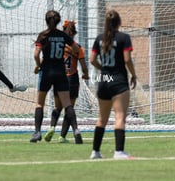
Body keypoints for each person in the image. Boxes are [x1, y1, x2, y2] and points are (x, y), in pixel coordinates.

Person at [89, 9, 137, 160]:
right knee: (120, 117)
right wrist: (134, 75)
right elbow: (127, 59)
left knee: (101, 119)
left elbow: (92, 59)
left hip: (104, 80)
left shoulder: (99, 38)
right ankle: (119, 152)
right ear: (119, 22)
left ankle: (95, 152)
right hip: (118, 81)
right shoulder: (124, 38)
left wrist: (102, 68)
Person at [30, 10, 83, 144]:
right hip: (61, 72)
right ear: (58, 21)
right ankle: (76, 130)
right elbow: (77, 49)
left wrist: (38, 65)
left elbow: (36, 55)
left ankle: (37, 133)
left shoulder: (43, 35)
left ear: (46, 20)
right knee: (67, 104)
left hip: (47, 71)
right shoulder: (62, 35)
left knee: (39, 103)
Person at [43, 20, 89, 143]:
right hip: (72, 79)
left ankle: (52, 127)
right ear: (74, 33)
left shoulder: (58, 46)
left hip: (59, 78)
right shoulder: (78, 48)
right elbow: (84, 66)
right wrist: (86, 74)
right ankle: (63, 136)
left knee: (58, 107)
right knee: (70, 108)